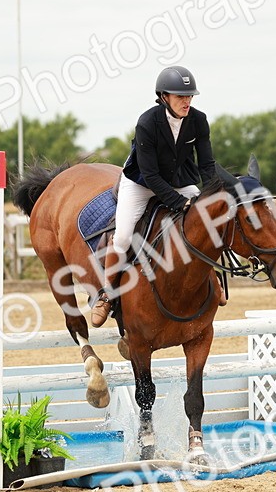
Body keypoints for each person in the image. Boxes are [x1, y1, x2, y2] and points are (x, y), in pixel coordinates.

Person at [90, 65, 219, 327]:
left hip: (179, 180)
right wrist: (179, 203)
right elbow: (150, 176)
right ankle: (107, 294)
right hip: (140, 183)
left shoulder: (198, 120)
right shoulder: (147, 123)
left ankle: (213, 280)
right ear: (164, 97)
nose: (187, 101)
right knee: (124, 237)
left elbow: (206, 165)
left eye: (190, 96)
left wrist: (215, 193)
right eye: (181, 96)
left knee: (208, 219)